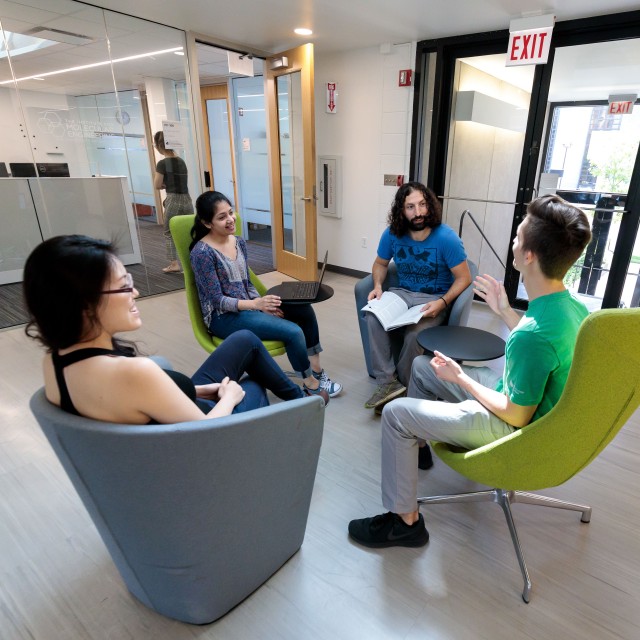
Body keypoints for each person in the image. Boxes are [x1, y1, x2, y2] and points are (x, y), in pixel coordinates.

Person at [348, 194, 592, 548]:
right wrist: (506, 311)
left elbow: (516, 415)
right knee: (421, 366)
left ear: (529, 256)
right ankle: (414, 448)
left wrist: (459, 377)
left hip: (514, 429)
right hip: (533, 409)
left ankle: (405, 521)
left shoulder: (532, 337)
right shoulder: (571, 308)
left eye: (519, 235)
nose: (513, 239)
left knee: (397, 414)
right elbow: (541, 343)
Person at [23, 235, 327, 425]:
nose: (136, 292)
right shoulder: (133, 373)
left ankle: (302, 400)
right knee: (249, 384)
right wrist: (230, 398)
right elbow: (204, 432)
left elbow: (136, 400)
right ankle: (304, 405)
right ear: (85, 305)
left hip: (167, 420)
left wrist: (200, 390)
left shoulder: (54, 363)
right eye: (124, 286)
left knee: (245, 340)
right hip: (200, 441)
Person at [189, 190, 342, 398]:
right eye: (222, 217)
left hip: (249, 307)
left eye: (230, 213)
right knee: (293, 331)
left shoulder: (238, 242)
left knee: (304, 310)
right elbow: (217, 300)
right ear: (207, 223)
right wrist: (257, 306)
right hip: (223, 318)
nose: (230, 219)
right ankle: (311, 384)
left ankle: (317, 370)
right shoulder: (202, 253)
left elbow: (247, 283)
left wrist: (263, 306)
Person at [364, 181, 471, 410]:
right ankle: (387, 384)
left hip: (432, 299)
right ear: (401, 211)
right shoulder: (392, 234)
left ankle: (404, 385)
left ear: (430, 205)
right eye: (410, 207)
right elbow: (380, 263)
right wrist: (378, 286)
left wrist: (442, 303)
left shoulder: (446, 238)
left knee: (415, 335)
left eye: (422, 204)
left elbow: (464, 278)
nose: (418, 212)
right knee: (372, 316)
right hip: (402, 294)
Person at [154, 130, 194, 274]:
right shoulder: (181, 161)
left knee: (169, 232)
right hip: (187, 199)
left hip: (173, 199)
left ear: (158, 146)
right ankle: (192, 263)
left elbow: (157, 185)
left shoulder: (162, 163)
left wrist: (165, 185)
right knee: (189, 232)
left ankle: (174, 264)